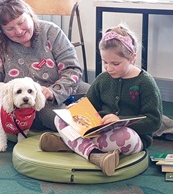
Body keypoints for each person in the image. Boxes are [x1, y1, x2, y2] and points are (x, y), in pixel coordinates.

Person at [0, 0, 89, 136]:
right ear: (1, 30)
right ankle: (86, 135)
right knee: (58, 118)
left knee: (96, 92)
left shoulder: (51, 31)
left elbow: (72, 69)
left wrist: (53, 91)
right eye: (10, 28)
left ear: (29, 15)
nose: (19, 31)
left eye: (21, 22)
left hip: (61, 87)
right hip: (30, 103)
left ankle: (103, 123)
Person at [39, 24, 164, 176]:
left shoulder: (145, 83)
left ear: (132, 58)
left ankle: (70, 144)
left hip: (131, 136)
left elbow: (154, 121)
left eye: (115, 64)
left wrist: (120, 119)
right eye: (105, 62)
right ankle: (95, 154)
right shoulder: (103, 79)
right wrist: (76, 109)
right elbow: (89, 104)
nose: (108, 68)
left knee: (126, 137)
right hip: (98, 132)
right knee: (61, 117)